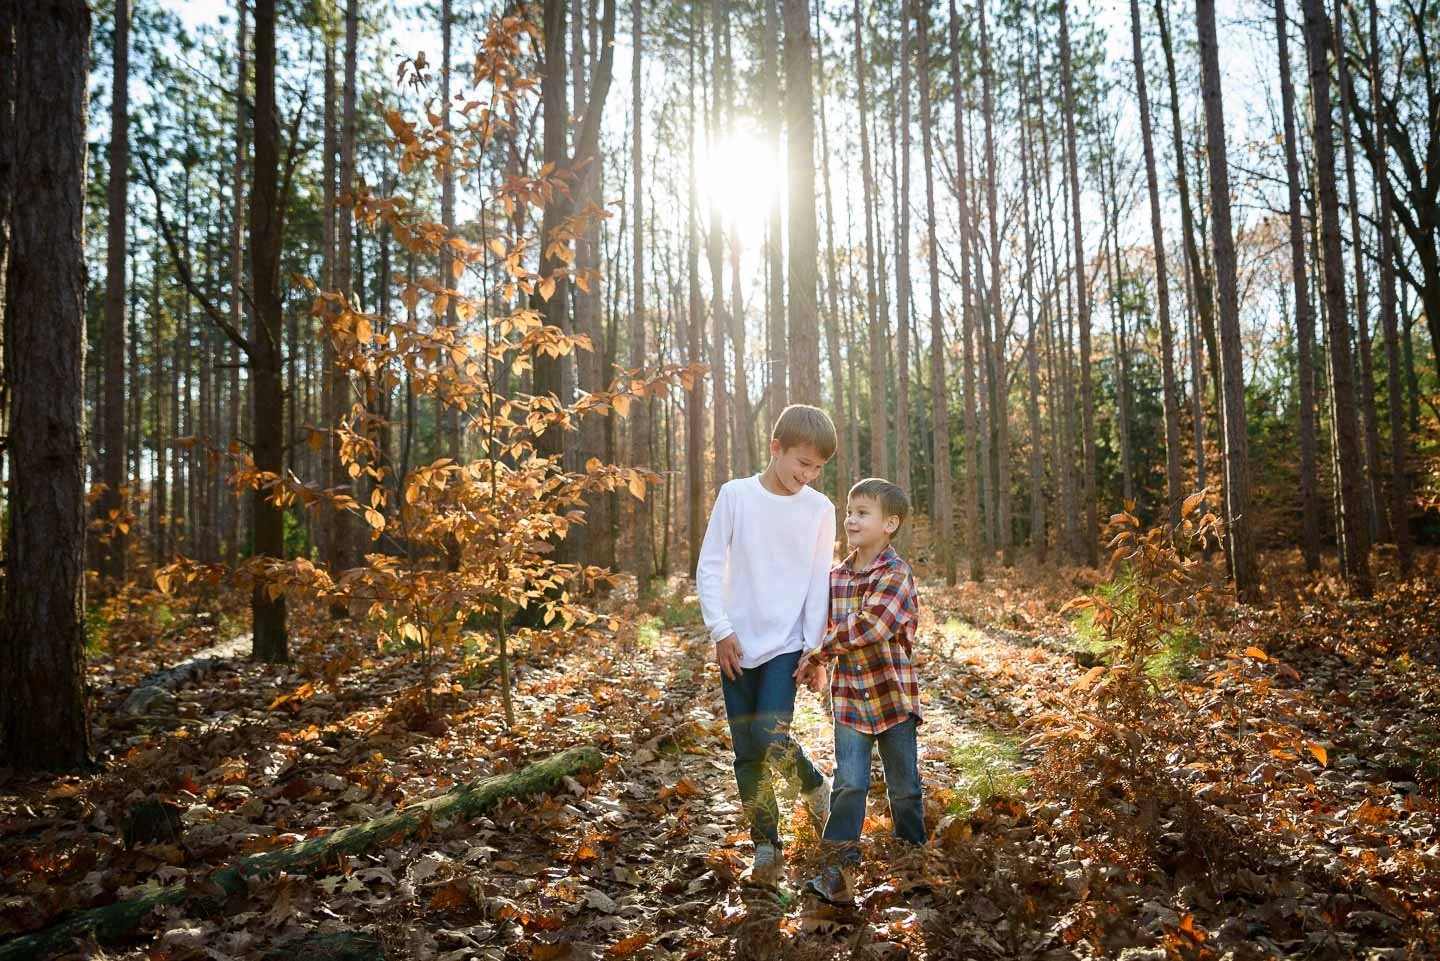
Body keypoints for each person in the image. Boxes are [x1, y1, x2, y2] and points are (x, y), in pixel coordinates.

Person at [697, 404, 838, 887]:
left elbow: (820, 582)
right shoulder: (735, 496)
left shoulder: (820, 510)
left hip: (786, 645)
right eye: (802, 462)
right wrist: (720, 630)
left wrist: (815, 648)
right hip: (737, 643)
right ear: (775, 448)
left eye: (818, 467)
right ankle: (766, 843)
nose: (809, 474)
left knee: (770, 737)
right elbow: (710, 566)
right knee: (746, 751)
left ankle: (816, 787)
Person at [796, 477, 925, 906]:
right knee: (849, 784)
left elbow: (872, 625)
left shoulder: (896, 574)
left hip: (892, 697)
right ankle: (838, 868)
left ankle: (914, 858)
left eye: (862, 513)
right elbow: (814, 617)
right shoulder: (833, 577)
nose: (851, 519)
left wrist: (820, 652)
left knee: (904, 786)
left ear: (890, 523)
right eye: (849, 511)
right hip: (850, 698)